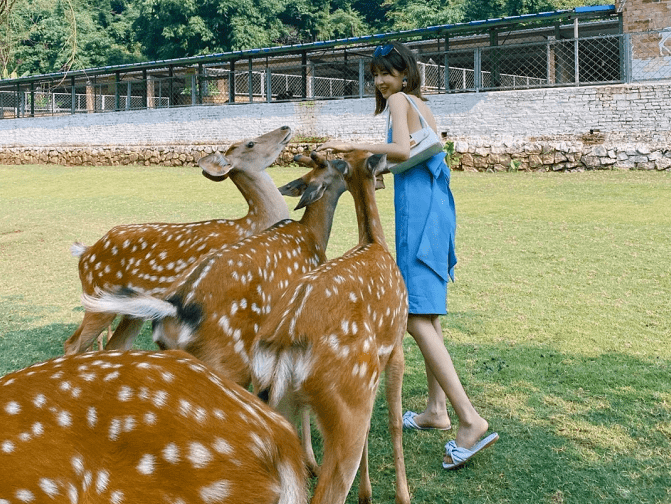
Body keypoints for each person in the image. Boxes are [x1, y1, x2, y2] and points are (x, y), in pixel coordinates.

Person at [316, 41, 498, 469]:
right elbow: (410, 157)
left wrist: (347, 144)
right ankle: (436, 410)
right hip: (435, 209)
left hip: (420, 214)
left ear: (405, 74)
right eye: (376, 74)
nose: (381, 82)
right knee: (429, 314)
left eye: (388, 73)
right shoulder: (418, 103)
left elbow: (399, 150)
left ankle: (469, 420)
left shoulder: (400, 100)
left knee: (415, 316)